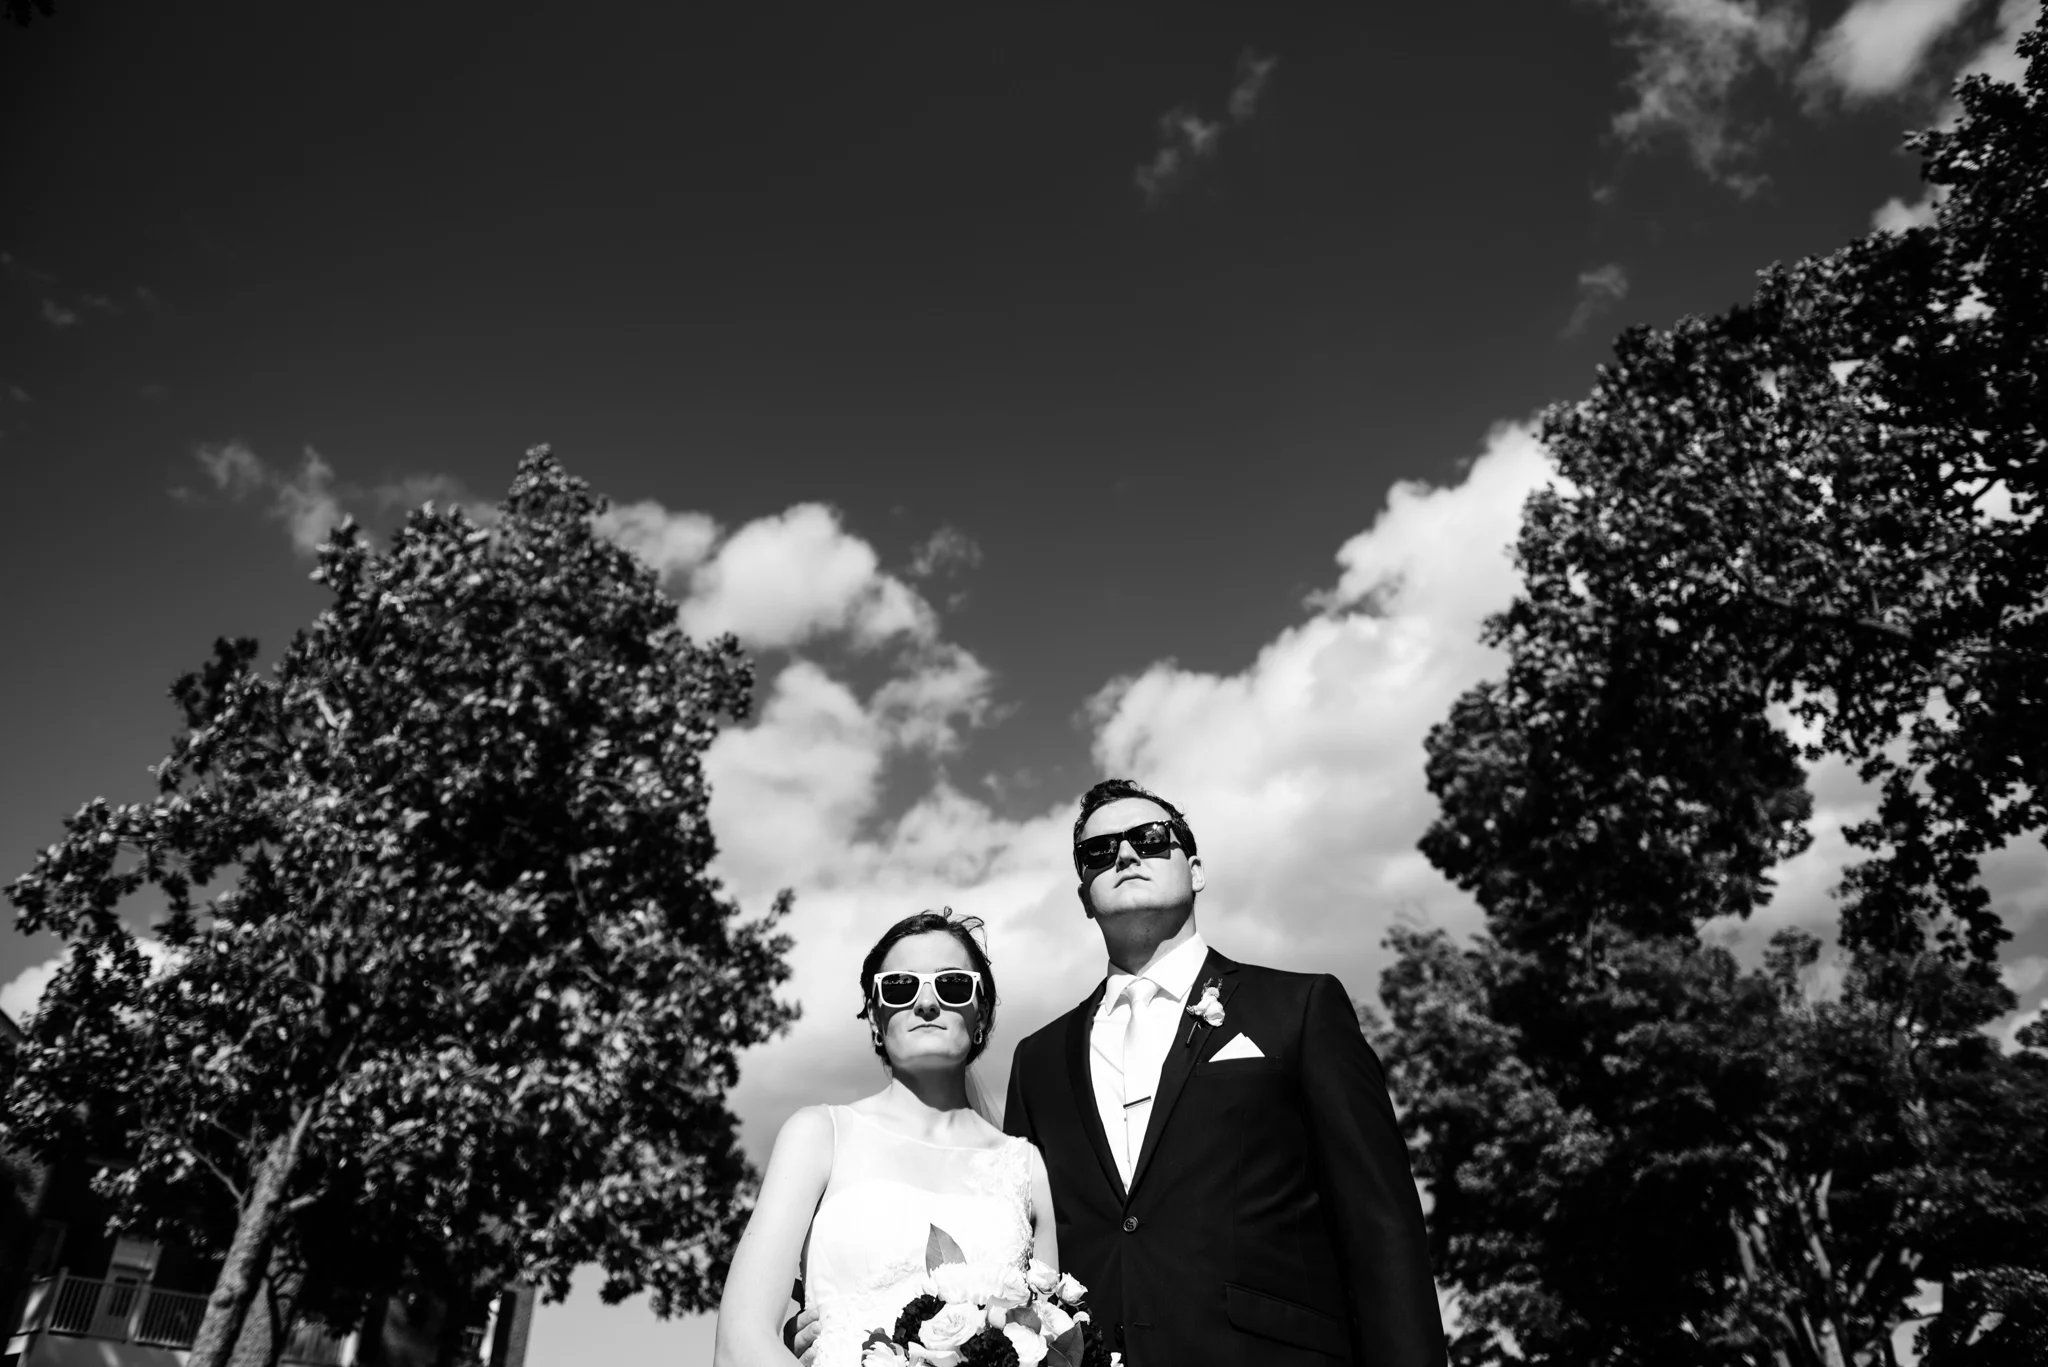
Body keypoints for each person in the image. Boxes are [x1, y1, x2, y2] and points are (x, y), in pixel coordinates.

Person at [1002, 778, 1448, 1367]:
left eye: (1150, 838)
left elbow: (1380, 1222)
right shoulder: (1037, 1060)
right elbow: (1021, 1246)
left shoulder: (1299, 1009)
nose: (1126, 855)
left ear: (1196, 870)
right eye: (1099, 851)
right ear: (1084, 895)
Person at [713, 909, 1057, 1367]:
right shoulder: (818, 1135)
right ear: (875, 1017)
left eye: (953, 985)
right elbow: (741, 1340)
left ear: (982, 1014)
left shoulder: (1027, 1169)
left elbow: (1052, 1342)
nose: (927, 1002)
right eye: (900, 987)